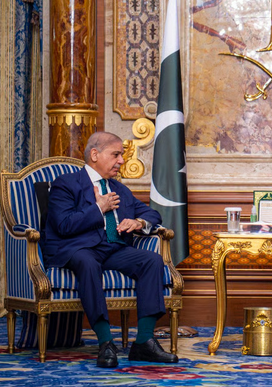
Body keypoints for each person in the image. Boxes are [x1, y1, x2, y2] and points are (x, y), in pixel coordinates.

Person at [42, 132, 178, 368]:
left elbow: (151, 213)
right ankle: (106, 342)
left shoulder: (119, 189)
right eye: (116, 154)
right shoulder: (66, 184)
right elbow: (63, 225)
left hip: (113, 249)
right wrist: (98, 208)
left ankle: (144, 342)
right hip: (79, 248)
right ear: (95, 154)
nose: (121, 161)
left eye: (121, 155)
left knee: (152, 260)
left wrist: (139, 222)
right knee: (88, 262)